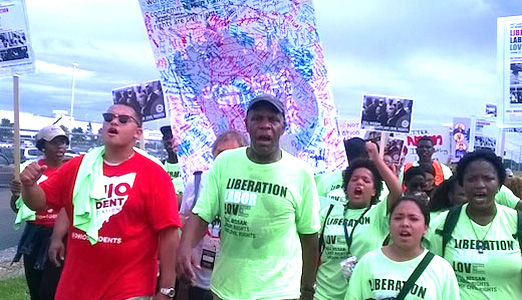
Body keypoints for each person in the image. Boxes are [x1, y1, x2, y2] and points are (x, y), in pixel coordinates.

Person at [19, 103, 181, 300]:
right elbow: (38, 203)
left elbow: (169, 232)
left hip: (128, 289)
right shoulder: (79, 166)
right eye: (108, 117)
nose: (114, 121)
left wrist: (166, 289)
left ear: (137, 133)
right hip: (75, 288)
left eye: (123, 120)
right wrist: (29, 185)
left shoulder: (154, 174)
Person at [177, 94, 320, 300]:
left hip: (278, 291)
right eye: (257, 118)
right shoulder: (225, 162)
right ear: (247, 123)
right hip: (227, 288)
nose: (265, 125)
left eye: (273, 119)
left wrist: (307, 288)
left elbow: (309, 236)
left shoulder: (301, 173)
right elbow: (202, 214)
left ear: (283, 127)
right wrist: (185, 247)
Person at [425, 149, 522, 299]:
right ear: (462, 183)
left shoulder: (517, 223)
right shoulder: (442, 224)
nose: (480, 185)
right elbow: (431, 277)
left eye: (488, 178)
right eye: (472, 179)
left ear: (499, 184)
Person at [314, 142, 402, 300]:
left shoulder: (378, 214)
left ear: (374, 190)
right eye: (354, 179)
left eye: (366, 180)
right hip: (325, 294)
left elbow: (396, 191)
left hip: (364, 294)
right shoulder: (328, 212)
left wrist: (376, 159)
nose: (359, 183)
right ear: (346, 186)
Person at [345, 196, 460, 300]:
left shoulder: (441, 269)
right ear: (389, 225)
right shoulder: (367, 262)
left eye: (413, 219)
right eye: (398, 218)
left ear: (425, 228)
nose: (405, 224)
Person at [179, 129, 247, 300]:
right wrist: (186, 249)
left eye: (232, 154)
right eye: (220, 154)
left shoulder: (250, 185)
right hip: (200, 277)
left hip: (235, 281)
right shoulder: (197, 182)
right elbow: (182, 219)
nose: (225, 159)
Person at [10, 125, 69, 300]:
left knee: (51, 290)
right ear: (43, 146)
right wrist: (16, 195)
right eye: (55, 143)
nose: (61, 147)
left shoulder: (71, 170)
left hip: (61, 236)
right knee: (35, 286)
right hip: (35, 235)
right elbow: (18, 208)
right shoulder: (30, 170)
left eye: (64, 142)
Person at [161, 125, 184, 207]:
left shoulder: (189, 166)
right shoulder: (159, 166)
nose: (169, 141)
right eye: (166, 138)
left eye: (172, 137)